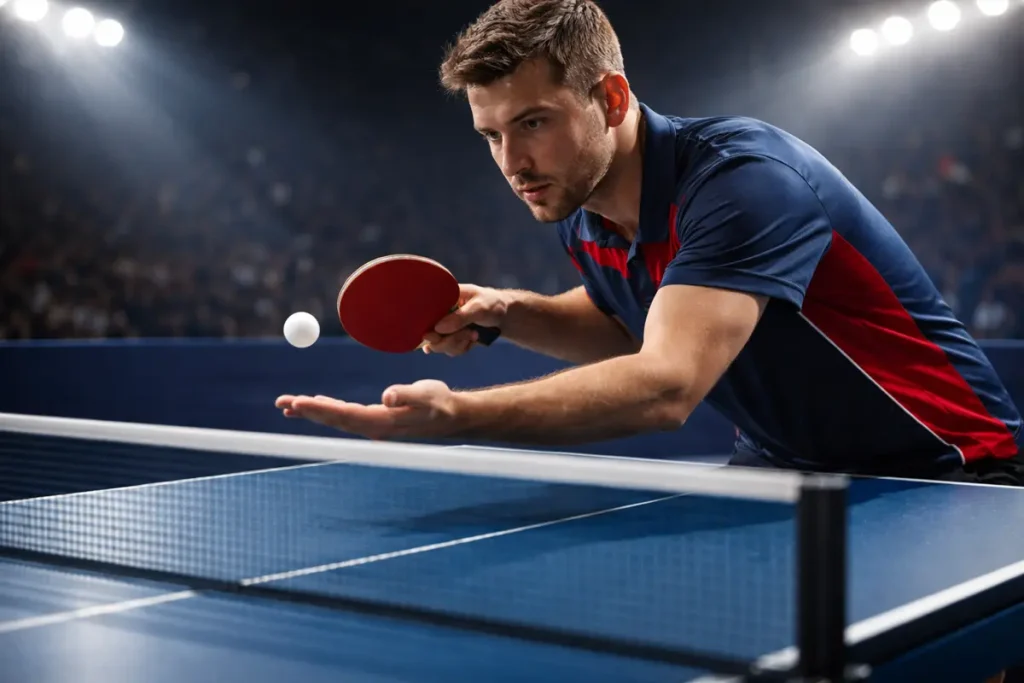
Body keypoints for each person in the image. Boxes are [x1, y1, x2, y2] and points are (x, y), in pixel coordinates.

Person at [277, 3, 1020, 677]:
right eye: (491, 135)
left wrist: (458, 418)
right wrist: (508, 309)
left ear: (611, 98)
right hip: (788, 471)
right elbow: (626, 322)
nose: (511, 164)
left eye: (533, 122)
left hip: (947, 476)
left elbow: (666, 381)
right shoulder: (581, 204)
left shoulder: (741, 184)